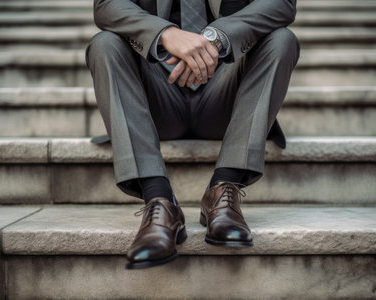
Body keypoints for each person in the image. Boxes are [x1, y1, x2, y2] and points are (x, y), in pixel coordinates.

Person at [86, 0, 300, 269]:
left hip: (226, 96)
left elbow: (281, 4)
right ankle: (160, 201)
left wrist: (216, 38)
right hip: (154, 99)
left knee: (282, 40)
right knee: (104, 44)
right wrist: (165, 33)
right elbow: (106, 5)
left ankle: (223, 190)